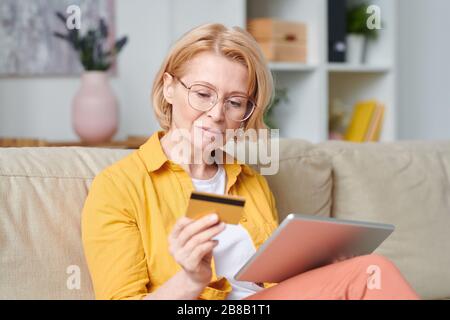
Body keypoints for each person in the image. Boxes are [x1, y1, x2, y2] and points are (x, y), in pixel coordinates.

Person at [81, 23, 419, 300]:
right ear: (169, 88)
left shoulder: (250, 182)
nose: (216, 114)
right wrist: (190, 281)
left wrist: (326, 272)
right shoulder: (119, 186)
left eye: (235, 102)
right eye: (202, 93)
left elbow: (271, 284)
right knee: (372, 272)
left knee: (364, 272)